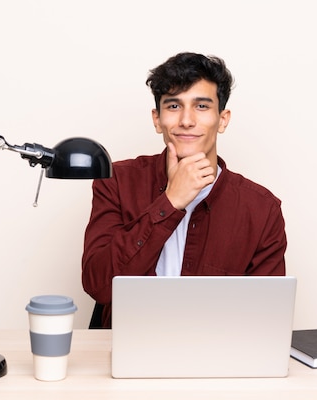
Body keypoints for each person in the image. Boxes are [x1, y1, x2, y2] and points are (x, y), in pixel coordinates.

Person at [82, 52, 287, 328]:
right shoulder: (116, 181)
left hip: (217, 359)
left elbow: (266, 321)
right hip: (130, 350)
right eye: (174, 106)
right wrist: (170, 202)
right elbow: (98, 285)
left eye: (202, 106)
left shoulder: (262, 210)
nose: (187, 120)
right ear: (157, 119)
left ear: (223, 119)